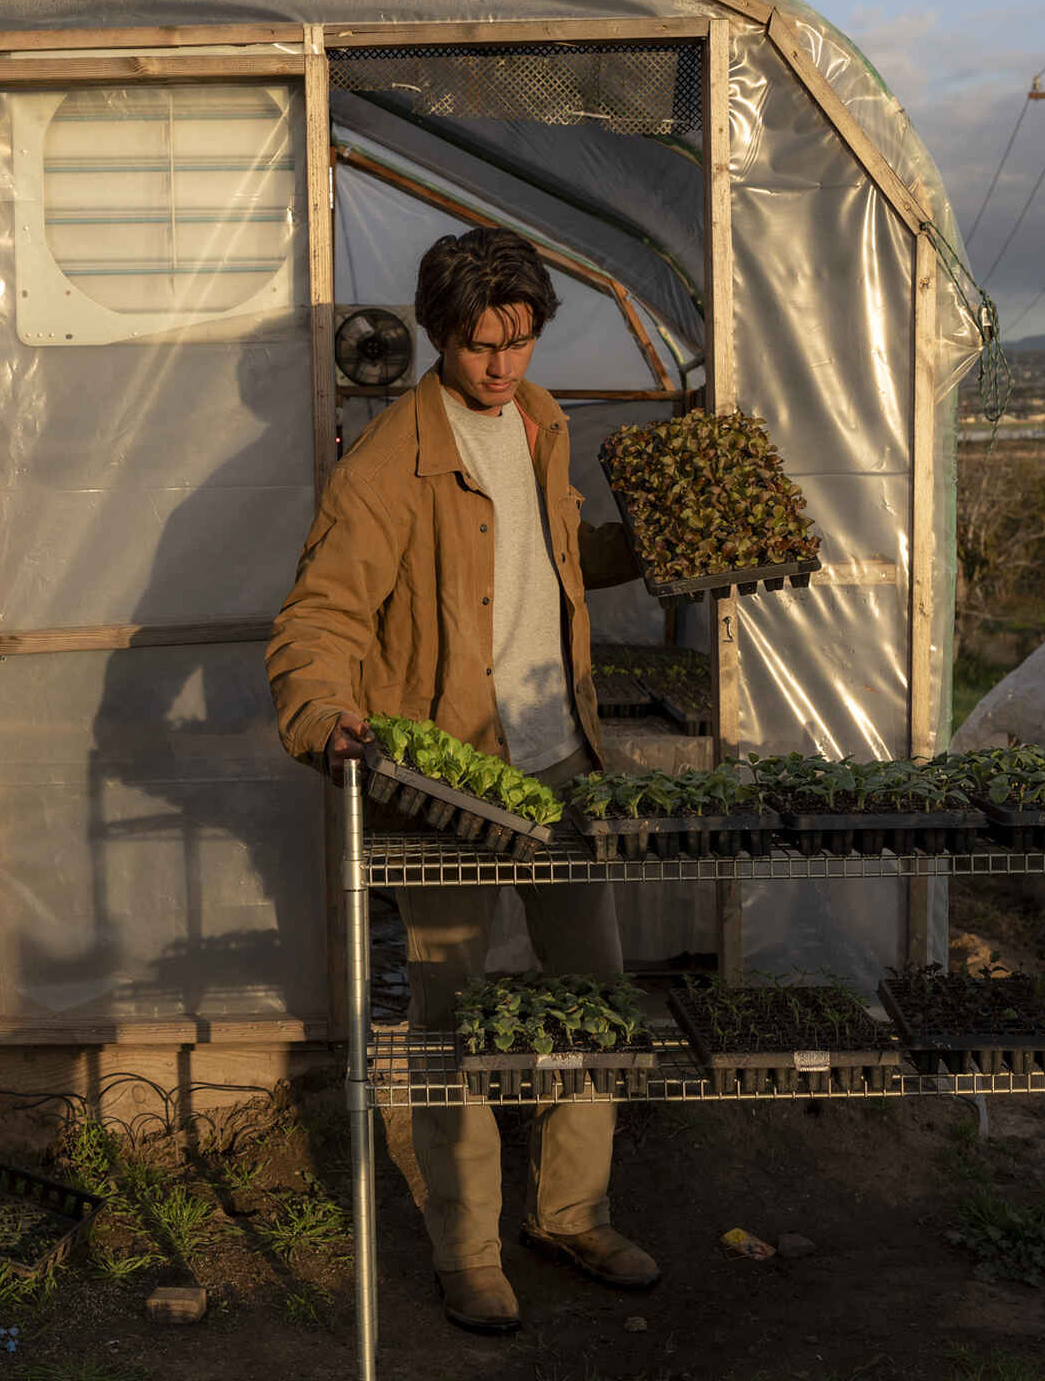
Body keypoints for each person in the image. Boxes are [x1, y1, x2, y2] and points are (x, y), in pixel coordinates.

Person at [267, 228, 656, 1334]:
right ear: (440, 335)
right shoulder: (390, 460)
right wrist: (319, 712)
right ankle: (467, 1247)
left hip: (559, 756)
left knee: (593, 995)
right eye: (481, 345)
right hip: (456, 777)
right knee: (454, 1018)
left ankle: (571, 1213)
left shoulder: (537, 423)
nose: (502, 365)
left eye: (519, 341)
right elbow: (322, 610)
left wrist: (658, 549)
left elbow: (547, 555)